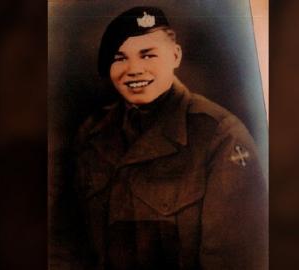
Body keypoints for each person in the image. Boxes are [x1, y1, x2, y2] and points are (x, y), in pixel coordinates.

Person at [52, 6, 267, 270]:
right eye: (120, 58)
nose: (133, 69)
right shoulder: (93, 134)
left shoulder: (219, 136)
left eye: (147, 55)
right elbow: (65, 244)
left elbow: (236, 260)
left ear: (175, 56)